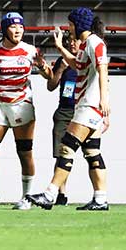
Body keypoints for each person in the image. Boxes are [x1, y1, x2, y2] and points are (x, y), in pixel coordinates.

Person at [27, 7, 111, 211]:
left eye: (71, 24)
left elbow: (102, 68)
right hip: (89, 105)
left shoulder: (94, 42)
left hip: (89, 105)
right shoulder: (86, 45)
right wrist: (59, 48)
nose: (69, 29)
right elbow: (77, 65)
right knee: (92, 153)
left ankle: (50, 194)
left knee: (67, 147)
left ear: (79, 24)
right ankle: (100, 199)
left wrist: (104, 100)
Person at [0, 12, 52, 210]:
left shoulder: (30, 51)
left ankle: (27, 197)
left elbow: (48, 75)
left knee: (24, 153)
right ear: (4, 29)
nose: (18, 30)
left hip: (22, 105)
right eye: (13, 26)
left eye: (21, 26)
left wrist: (43, 66)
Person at [46, 32, 79, 205]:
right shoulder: (62, 61)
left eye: (75, 41)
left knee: (91, 153)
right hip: (64, 111)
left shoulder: (86, 59)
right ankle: (61, 193)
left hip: (82, 111)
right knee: (61, 154)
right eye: (70, 41)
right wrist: (60, 69)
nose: (72, 44)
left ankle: (99, 194)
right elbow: (50, 86)